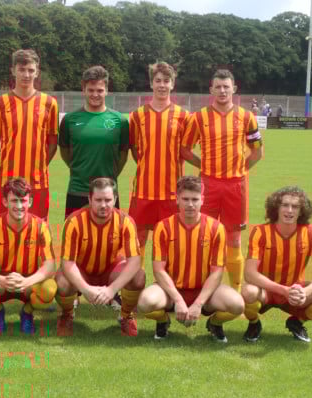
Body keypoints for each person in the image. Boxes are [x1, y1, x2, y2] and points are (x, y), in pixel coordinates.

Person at [181, 69, 263, 292]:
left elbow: (257, 151)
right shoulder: (199, 117)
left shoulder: (247, 117)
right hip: (207, 185)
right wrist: (205, 166)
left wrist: (239, 169)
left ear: (234, 89)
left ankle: (235, 290)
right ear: (211, 90)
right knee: (203, 236)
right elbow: (185, 149)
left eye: (226, 86)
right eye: (218, 86)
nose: (222, 90)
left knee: (234, 239)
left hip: (236, 186)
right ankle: (200, 287)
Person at [137, 176, 244, 342]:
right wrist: (178, 300)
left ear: (202, 200)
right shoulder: (163, 227)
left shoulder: (216, 228)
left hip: (205, 291)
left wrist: (198, 304)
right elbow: (158, 270)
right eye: (185, 199)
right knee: (145, 303)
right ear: (177, 199)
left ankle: (214, 323)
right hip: (171, 290)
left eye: (195, 199)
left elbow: (217, 272)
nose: (190, 204)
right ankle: (163, 320)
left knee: (237, 305)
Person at [242, 186, 312, 343]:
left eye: (295, 206)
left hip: (295, 291)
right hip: (266, 290)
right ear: (276, 207)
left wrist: (305, 292)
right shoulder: (260, 232)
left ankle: (297, 321)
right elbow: (249, 273)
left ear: (301, 211)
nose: (289, 210)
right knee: (248, 291)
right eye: (285, 205)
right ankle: (254, 323)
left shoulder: (311, 233)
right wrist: (283, 290)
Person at [55, 177, 145, 337]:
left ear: (115, 199)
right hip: (82, 270)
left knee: (138, 276)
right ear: (90, 199)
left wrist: (112, 289)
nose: (103, 205)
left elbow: (135, 261)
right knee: (61, 280)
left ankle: (126, 315)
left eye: (108, 200)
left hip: (110, 270)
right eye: (98, 200)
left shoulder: (125, 221)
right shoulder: (74, 221)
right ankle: (67, 314)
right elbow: (67, 263)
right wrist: (85, 289)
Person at [0, 178, 57, 335]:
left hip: (27, 284)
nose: (19, 206)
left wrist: (27, 281)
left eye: (23, 200)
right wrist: (1, 280)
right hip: (0, 282)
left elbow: (49, 265)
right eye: (14, 200)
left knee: (49, 288)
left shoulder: (41, 226)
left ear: (30, 202)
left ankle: (27, 312)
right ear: (5, 202)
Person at [129, 61, 190, 271]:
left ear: (172, 84)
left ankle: (168, 284)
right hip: (143, 190)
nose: (162, 85)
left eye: (166, 81)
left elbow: (185, 150)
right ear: (151, 83)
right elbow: (135, 149)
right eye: (158, 81)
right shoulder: (137, 115)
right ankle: (134, 285)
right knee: (138, 239)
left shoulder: (184, 116)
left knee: (171, 240)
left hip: (172, 191)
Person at [0, 49, 58, 221]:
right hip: (5, 179)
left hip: (37, 180)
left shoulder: (50, 103)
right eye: (22, 70)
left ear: (37, 72)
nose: (26, 75)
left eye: (31, 70)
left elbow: (52, 143)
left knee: (37, 227)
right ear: (13, 70)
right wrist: (5, 165)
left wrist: (39, 166)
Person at [59, 65, 128, 218]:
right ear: (83, 90)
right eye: (90, 90)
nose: (95, 94)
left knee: (110, 233)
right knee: (74, 232)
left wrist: (111, 175)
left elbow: (123, 155)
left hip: (108, 193)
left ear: (107, 90)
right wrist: (79, 169)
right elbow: (64, 151)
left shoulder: (120, 121)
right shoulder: (70, 119)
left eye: (100, 90)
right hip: (77, 190)